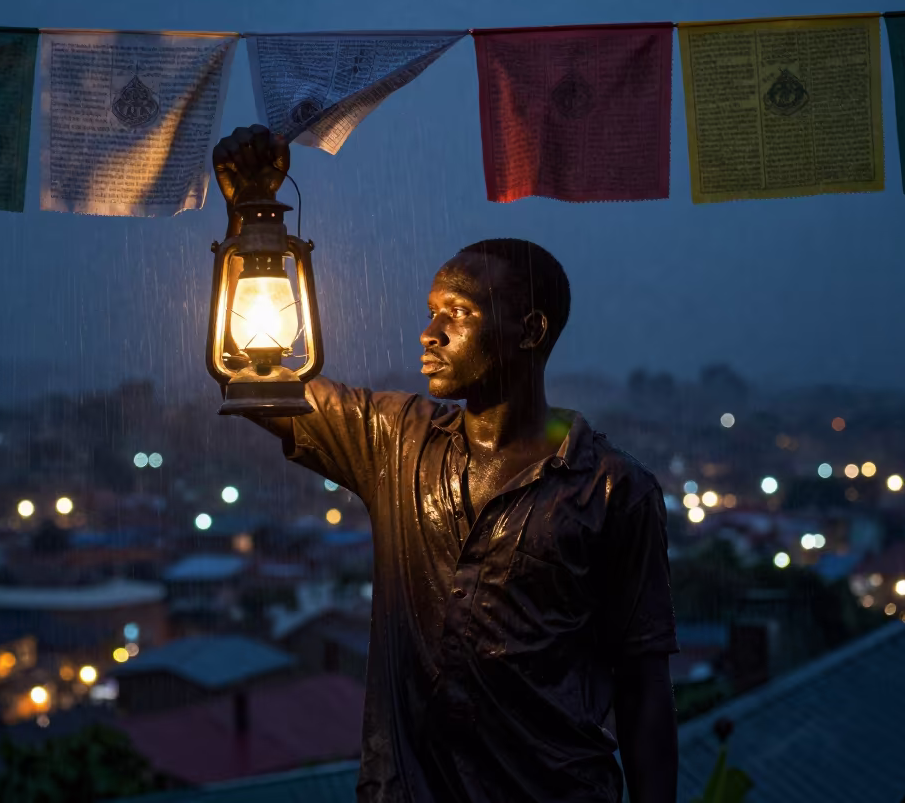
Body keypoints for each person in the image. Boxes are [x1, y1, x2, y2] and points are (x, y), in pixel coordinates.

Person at [212, 125, 680, 803]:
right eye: (431, 313)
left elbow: (645, 688)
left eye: (457, 313)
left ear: (530, 331)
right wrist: (252, 230)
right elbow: (257, 383)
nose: (429, 333)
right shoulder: (394, 440)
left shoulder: (614, 490)